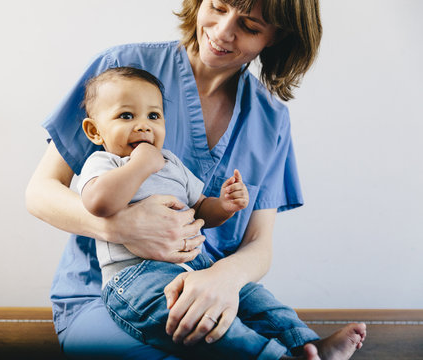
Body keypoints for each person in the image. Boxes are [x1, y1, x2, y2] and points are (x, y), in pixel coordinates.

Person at [26, 0, 367, 359]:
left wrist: (224, 278)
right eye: (217, 7)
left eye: (249, 26)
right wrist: (121, 228)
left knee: (255, 312)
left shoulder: (271, 119)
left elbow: (258, 244)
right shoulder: (121, 72)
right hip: (109, 293)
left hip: (209, 286)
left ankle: (307, 345)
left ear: (277, 38)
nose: (222, 31)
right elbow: (39, 193)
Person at [77, 65, 329, 359]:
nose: (144, 125)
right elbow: (98, 203)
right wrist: (140, 164)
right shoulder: (104, 164)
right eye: (126, 116)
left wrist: (223, 205)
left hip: (200, 268)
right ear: (95, 131)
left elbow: (200, 209)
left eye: (153, 116)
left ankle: (308, 343)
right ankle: (272, 356)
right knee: (198, 321)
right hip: (134, 279)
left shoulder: (171, 163)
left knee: (251, 296)